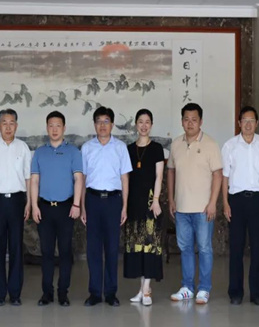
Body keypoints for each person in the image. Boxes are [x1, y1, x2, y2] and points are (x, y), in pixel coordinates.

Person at [221, 106, 259, 306]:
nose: (248, 124)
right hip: (236, 200)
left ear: (257, 123)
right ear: (239, 123)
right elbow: (225, 176)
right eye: (244, 120)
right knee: (236, 247)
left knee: (258, 247)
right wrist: (225, 202)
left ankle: (257, 294)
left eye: (251, 120)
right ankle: (235, 293)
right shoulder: (230, 146)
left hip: (258, 199)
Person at [167, 103, 222, 305]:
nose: (190, 123)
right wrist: (171, 198)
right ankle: (187, 287)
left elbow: (218, 174)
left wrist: (213, 203)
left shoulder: (210, 144)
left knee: (205, 248)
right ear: (182, 121)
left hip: (203, 208)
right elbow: (170, 171)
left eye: (194, 120)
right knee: (185, 248)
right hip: (181, 208)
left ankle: (204, 289)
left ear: (201, 122)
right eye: (186, 119)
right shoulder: (176, 144)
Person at [30, 111, 83, 307]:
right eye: (51, 126)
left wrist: (76, 204)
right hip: (44, 208)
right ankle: (47, 293)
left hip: (66, 208)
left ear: (64, 128)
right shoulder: (39, 153)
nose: (54, 129)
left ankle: (63, 292)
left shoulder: (73, 152)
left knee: (66, 252)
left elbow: (78, 179)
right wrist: (34, 205)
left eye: (58, 126)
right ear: (47, 128)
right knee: (46, 252)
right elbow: (34, 181)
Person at [81, 106, 132, 307]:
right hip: (92, 200)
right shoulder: (87, 148)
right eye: (99, 121)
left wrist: (124, 206)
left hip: (113, 201)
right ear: (94, 125)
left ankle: (111, 293)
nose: (102, 125)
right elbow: (82, 179)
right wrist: (82, 207)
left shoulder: (120, 148)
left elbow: (125, 179)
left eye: (106, 121)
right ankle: (95, 292)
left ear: (112, 124)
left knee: (112, 248)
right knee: (93, 249)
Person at [0, 109, 31, 306]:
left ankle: (15, 294)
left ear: (16, 126)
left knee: (17, 247)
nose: (8, 127)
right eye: (4, 123)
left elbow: (28, 178)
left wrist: (29, 202)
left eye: (11, 123)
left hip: (17, 201)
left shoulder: (23, 147)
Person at [124, 109, 165, 306]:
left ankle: (147, 290)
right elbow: (126, 178)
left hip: (150, 202)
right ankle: (141, 290)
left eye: (147, 122)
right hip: (134, 202)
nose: (144, 125)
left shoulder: (156, 148)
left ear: (152, 125)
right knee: (138, 246)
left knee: (150, 244)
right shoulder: (129, 149)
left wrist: (156, 200)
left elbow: (159, 176)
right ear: (136, 124)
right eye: (140, 121)